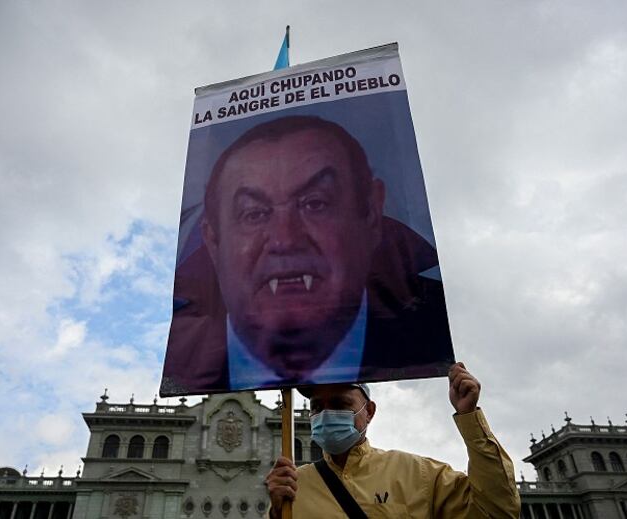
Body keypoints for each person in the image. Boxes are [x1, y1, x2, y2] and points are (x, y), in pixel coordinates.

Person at [162, 115, 453, 394]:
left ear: (372, 213)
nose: (284, 240)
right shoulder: (184, 363)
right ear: (212, 238)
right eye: (254, 213)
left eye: (315, 204)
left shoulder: (427, 329)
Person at [265, 363, 521, 518]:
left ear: (369, 411)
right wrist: (277, 513)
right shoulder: (293, 487)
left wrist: (469, 417)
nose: (325, 414)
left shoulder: (419, 475)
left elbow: (496, 512)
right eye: (317, 406)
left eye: (339, 404)